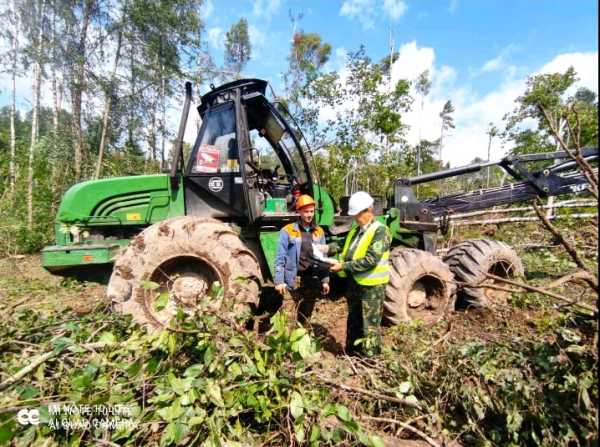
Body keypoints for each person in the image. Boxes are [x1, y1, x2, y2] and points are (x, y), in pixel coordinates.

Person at [325, 191, 391, 356]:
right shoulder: (357, 230)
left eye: (357, 214)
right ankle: (352, 354)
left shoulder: (381, 231)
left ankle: (370, 359)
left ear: (369, 210)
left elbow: (371, 260)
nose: (355, 218)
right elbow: (344, 245)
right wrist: (326, 248)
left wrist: (343, 267)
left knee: (369, 325)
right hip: (355, 284)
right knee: (353, 321)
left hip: (372, 289)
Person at [274, 194, 330, 325]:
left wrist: (325, 280)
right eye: (306, 211)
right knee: (290, 316)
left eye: (311, 211)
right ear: (299, 211)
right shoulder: (287, 231)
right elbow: (280, 257)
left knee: (306, 316)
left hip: (311, 279)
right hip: (292, 280)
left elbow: (323, 259)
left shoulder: (319, 232)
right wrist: (279, 281)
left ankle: (303, 337)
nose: (309, 215)